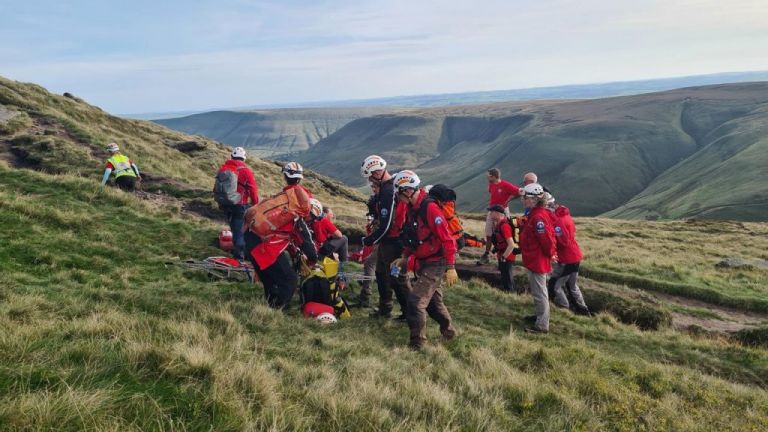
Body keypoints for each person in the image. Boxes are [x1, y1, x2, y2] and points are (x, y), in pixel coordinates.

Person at [392, 170, 458, 350]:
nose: (397, 197)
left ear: (406, 191)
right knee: (434, 305)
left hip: (437, 262)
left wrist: (451, 267)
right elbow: (412, 235)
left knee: (415, 301)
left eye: (398, 193)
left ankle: (417, 343)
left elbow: (447, 239)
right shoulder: (411, 208)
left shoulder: (429, 208)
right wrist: (404, 257)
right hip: (424, 262)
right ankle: (449, 333)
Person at [244, 161, 316, 309]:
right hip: (265, 248)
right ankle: (276, 311)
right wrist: (314, 258)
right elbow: (305, 241)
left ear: (285, 177)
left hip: (252, 239)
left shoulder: (281, 199)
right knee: (289, 280)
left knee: (270, 280)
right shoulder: (296, 212)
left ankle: (269, 307)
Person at [360, 155, 409, 319]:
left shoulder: (388, 191)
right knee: (382, 274)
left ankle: (409, 312)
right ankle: (385, 308)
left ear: (377, 172)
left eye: (370, 176)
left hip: (395, 242)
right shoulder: (388, 187)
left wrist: (371, 239)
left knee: (397, 278)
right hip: (387, 241)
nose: (370, 181)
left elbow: (387, 223)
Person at [519, 183, 556, 333]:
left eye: (525, 197)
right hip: (534, 258)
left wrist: (550, 254)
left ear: (534, 199)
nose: (523, 199)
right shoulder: (535, 214)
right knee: (538, 291)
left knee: (540, 293)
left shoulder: (539, 216)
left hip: (538, 260)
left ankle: (542, 326)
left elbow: (546, 240)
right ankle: (540, 316)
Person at [547, 195, 590, 315]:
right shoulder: (564, 215)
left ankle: (564, 308)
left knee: (554, 285)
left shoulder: (558, 221)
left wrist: (552, 242)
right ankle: (584, 310)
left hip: (567, 258)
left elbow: (564, 241)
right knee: (572, 286)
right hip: (574, 256)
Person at [215, 147, 259, 260]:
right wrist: (256, 205)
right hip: (240, 204)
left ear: (232, 157)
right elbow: (253, 190)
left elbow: (216, 187)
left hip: (225, 204)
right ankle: (240, 257)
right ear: (243, 158)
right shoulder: (245, 171)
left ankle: (238, 251)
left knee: (234, 227)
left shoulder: (223, 168)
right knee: (240, 230)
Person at [478, 168, 521, 265]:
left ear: (493, 176)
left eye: (488, 175)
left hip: (503, 211)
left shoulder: (505, 185)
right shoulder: (491, 184)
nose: (487, 177)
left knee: (505, 233)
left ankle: (506, 257)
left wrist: (509, 200)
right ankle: (487, 254)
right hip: (492, 210)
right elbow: (492, 193)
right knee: (489, 234)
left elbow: (519, 192)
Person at [489, 205, 519, 293]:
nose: (490, 214)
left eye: (492, 212)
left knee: (507, 277)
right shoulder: (499, 225)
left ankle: (511, 295)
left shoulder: (504, 226)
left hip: (507, 256)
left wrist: (503, 257)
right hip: (503, 254)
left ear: (498, 214)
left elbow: (511, 245)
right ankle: (508, 294)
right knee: (505, 276)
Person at [308, 198, 349, 264]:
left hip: (311, 251)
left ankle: (332, 261)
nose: (332, 216)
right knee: (344, 238)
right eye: (331, 214)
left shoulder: (310, 221)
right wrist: (331, 235)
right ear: (325, 214)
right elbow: (339, 235)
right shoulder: (324, 220)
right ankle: (344, 263)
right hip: (321, 250)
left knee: (329, 242)